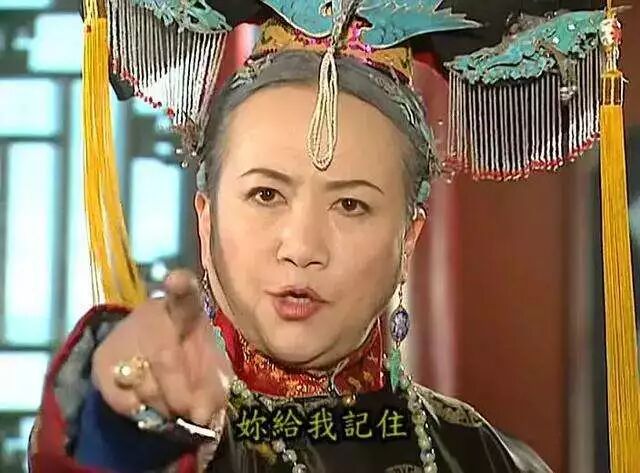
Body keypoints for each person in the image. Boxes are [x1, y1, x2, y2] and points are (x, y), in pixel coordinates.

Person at [28, 1, 609, 472]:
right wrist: (125, 415)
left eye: (351, 205)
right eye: (266, 195)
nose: (302, 248)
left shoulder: (486, 458)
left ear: (408, 240)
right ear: (206, 219)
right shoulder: (177, 442)